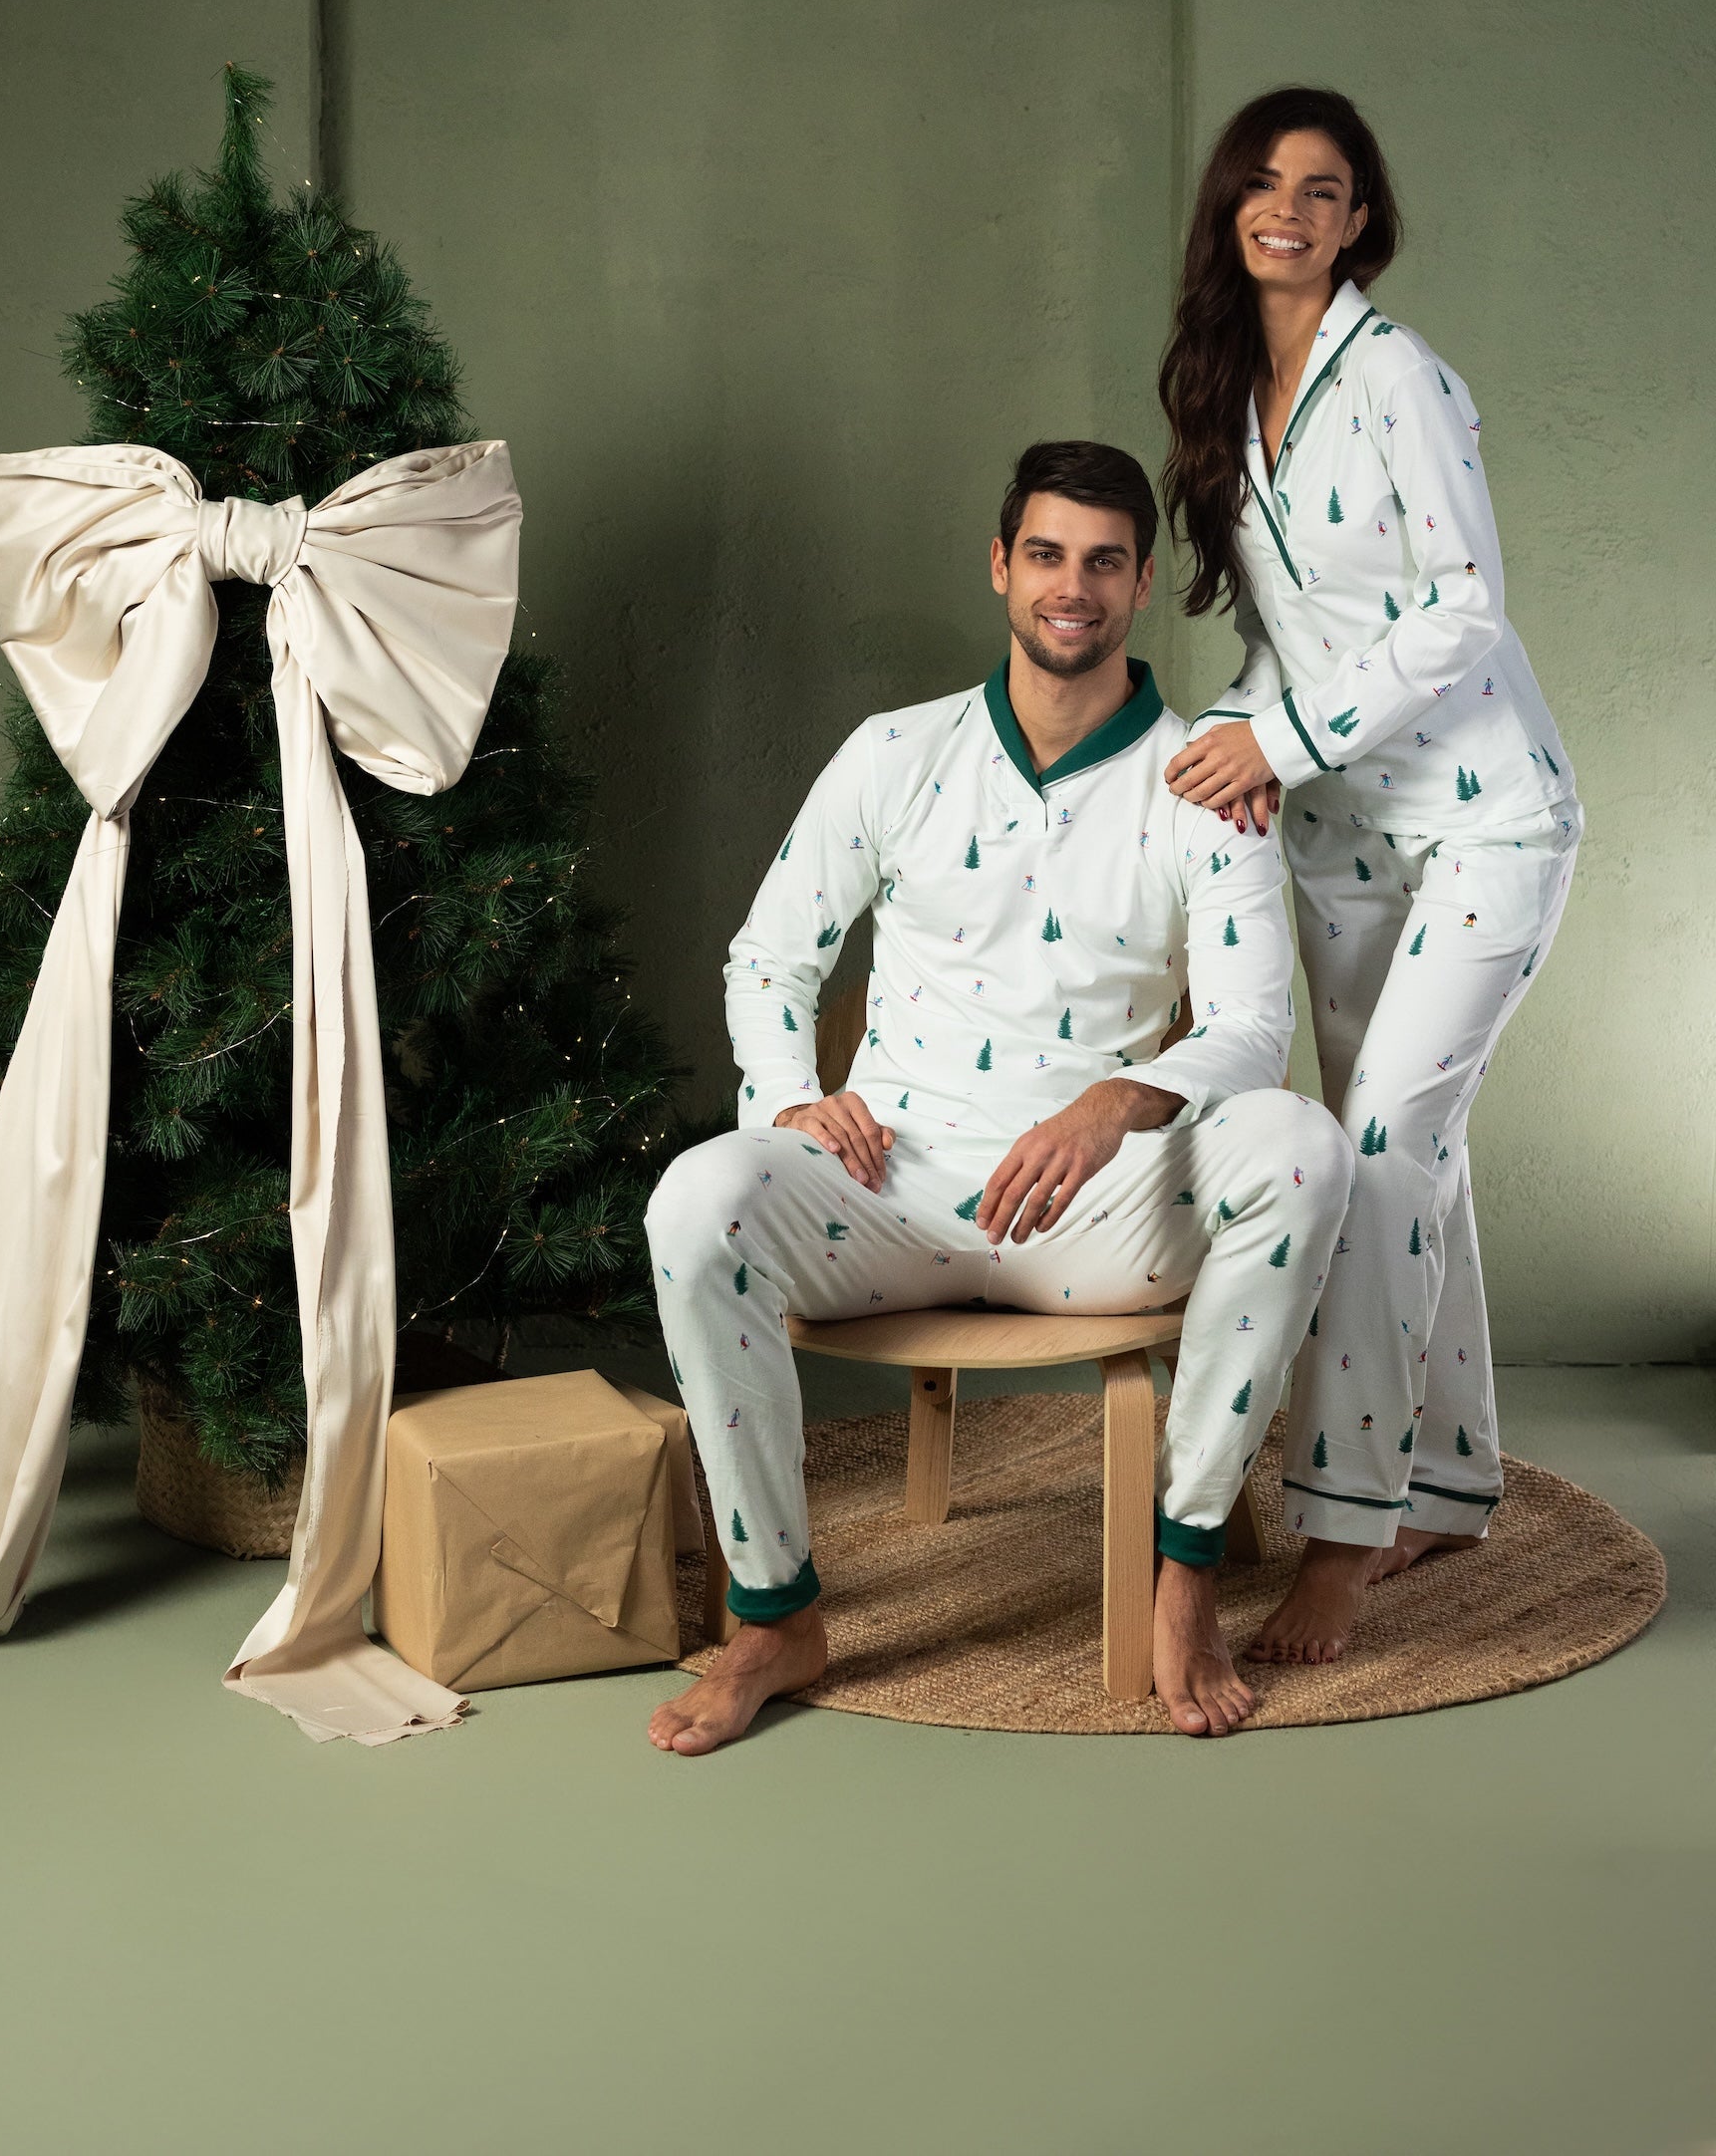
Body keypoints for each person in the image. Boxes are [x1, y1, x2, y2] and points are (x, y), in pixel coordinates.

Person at [644, 440, 1352, 1751]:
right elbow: (771, 959)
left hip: (1100, 1213)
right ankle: (773, 1615)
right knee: (696, 1203)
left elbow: (1252, 1029)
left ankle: (1185, 1566)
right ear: (999, 567)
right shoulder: (893, 753)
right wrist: (791, 1098)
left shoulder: (1209, 780)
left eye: (1103, 561)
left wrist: (1116, 1103)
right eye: (1045, 555)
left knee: (1302, 1149)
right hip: (886, 1190)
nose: (1070, 587)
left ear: (1142, 583)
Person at [1158, 87, 1581, 1665]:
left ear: (1358, 222)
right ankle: (1446, 1485)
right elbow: (1293, 630)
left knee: (1386, 1143)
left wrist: (1276, 736)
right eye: (1265, 183)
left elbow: (1464, 607)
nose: (1290, 208)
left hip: (1487, 818)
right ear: (1232, 208)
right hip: (1338, 833)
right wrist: (1229, 731)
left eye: (1323, 189)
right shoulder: (1228, 387)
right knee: (1402, 1159)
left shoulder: (1399, 376)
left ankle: (1345, 1534)